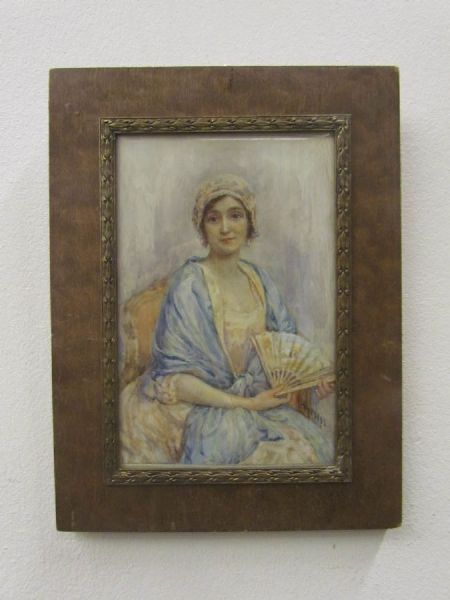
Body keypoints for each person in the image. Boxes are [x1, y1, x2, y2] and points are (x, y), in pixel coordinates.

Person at [135, 174, 334, 466]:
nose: (226, 228)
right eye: (213, 219)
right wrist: (247, 404)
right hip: (207, 405)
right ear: (202, 228)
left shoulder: (259, 280)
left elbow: (290, 353)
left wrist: (313, 382)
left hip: (262, 403)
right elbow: (175, 378)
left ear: (249, 222)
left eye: (235, 216)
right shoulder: (189, 285)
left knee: (315, 451)